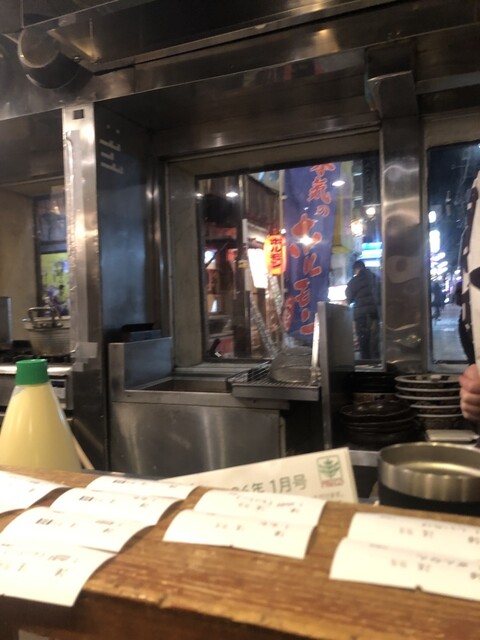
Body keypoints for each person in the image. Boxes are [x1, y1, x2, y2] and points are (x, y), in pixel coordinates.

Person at [345, 259, 380, 360]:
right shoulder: (374, 277)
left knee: (363, 339)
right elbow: (380, 293)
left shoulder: (354, 281)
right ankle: (377, 361)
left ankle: (366, 360)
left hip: (361, 315)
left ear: (356, 269)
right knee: (375, 339)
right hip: (374, 312)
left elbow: (349, 297)